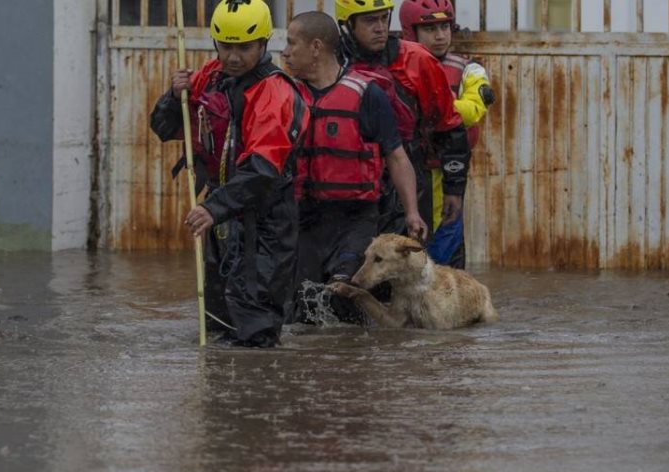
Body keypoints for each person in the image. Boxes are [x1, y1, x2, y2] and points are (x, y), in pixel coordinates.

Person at [150, 0, 309, 348]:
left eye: (244, 48)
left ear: (263, 43)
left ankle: (257, 394)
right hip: (223, 216)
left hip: (265, 221)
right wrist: (172, 96)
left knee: (255, 324)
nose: (233, 57)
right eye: (226, 46)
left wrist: (212, 208)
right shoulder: (211, 76)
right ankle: (221, 396)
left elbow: (263, 168)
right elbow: (165, 128)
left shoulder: (274, 91)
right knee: (219, 321)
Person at [281, 11, 427, 324]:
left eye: (292, 43)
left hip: (355, 218)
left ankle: (355, 367)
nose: (285, 52)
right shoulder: (285, 94)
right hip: (303, 218)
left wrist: (412, 212)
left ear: (316, 47)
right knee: (302, 306)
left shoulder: (367, 95)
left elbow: (398, 158)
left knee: (345, 294)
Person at [335, 0, 472, 269]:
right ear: (348, 25)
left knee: (415, 267)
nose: (380, 28)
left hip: (407, 175)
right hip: (346, 181)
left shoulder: (416, 60)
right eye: (369, 21)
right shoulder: (330, 61)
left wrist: (454, 190)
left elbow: (450, 126)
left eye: (383, 19)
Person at [399, 0, 496, 267]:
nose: (440, 35)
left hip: (446, 173)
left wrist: (432, 104)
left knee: (445, 253)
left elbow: (474, 108)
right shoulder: (395, 66)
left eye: (444, 26)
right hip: (404, 170)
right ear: (411, 31)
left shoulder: (470, 69)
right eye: (430, 28)